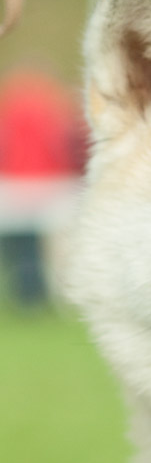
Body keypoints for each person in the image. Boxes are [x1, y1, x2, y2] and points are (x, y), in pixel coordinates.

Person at [0, 68, 86, 304]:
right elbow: (65, 145)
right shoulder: (55, 110)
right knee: (57, 246)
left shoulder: (10, 109)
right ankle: (57, 292)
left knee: (22, 245)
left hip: (17, 184)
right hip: (51, 183)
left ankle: (27, 289)